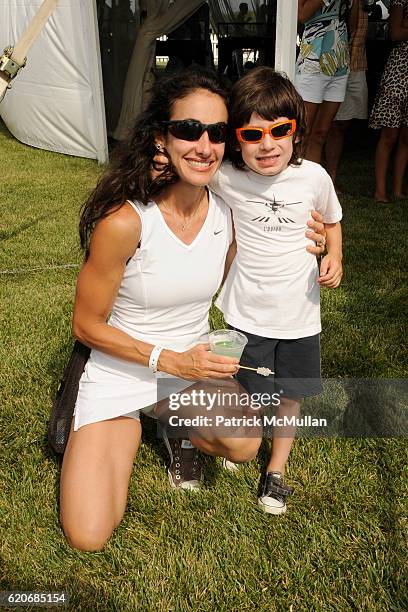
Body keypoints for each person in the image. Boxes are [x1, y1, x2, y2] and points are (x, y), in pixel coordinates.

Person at [60, 67, 326, 551]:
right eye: (188, 129)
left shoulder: (228, 213)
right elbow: (85, 324)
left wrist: (322, 241)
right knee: (88, 535)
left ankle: (174, 428)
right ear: (161, 138)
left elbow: (286, 220)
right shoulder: (125, 221)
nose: (204, 145)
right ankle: (125, 416)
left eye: (217, 133)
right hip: (122, 367)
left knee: (244, 443)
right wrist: (168, 360)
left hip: (189, 367)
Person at [210, 67, 343, 515]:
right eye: (252, 134)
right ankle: (241, 439)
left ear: (295, 131)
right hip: (245, 311)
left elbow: (332, 218)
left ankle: (276, 469)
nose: (267, 145)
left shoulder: (314, 178)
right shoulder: (225, 176)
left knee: (290, 395)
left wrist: (334, 255)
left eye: (279, 130)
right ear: (236, 140)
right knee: (244, 388)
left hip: (300, 315)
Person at [295, 0, 353, 164]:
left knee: (321, 133)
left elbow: (353, 23)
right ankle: (295, 184)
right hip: (313, 59)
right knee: (302, 133)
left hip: (339, 61)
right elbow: (302, 14)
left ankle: (313, 185)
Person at [325, 0, 369, 191]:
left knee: (342, 123)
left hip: (357, 60)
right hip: (331, 61)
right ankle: (324, 178)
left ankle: (331, 177)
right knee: (325, 125)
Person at [369, 0, 408, 202]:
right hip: (399, 72)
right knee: (389, 133)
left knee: (406, 136)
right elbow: (395, 33)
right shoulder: (400, 1)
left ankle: (398, 190)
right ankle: (380, 190)